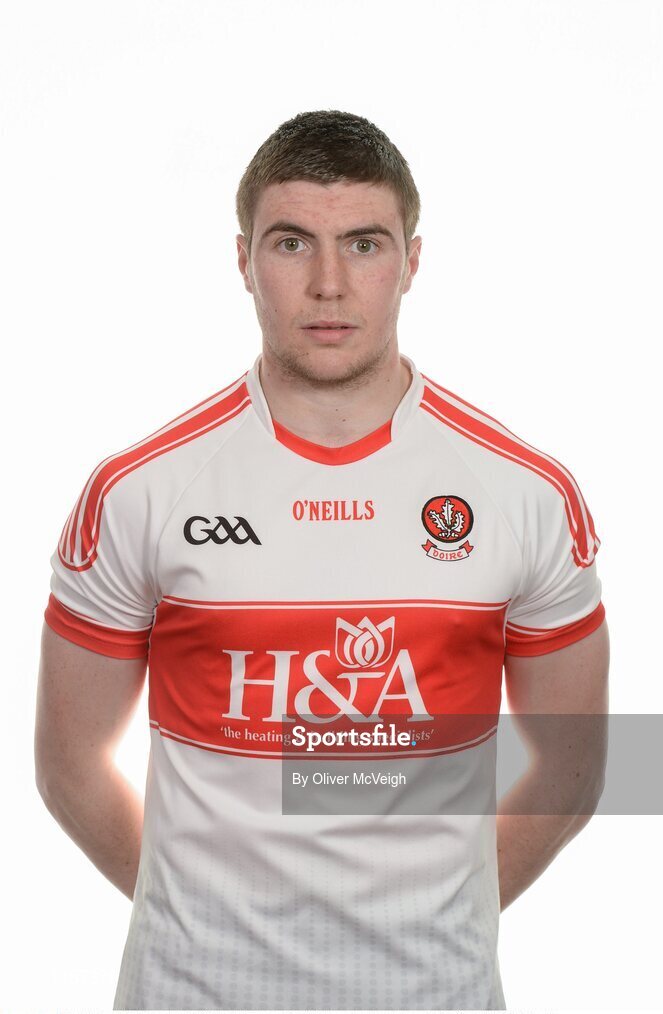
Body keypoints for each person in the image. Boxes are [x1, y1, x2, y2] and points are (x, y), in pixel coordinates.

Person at [34, 109, 609, 1011]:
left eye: (365, 243)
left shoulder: (525, 493)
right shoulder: (139, 492)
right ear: (242, 260)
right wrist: (204, 920)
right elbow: (69, 762)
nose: (330, 284)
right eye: (293, 242)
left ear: (412, 261)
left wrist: (445, 921)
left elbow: (573, 767)